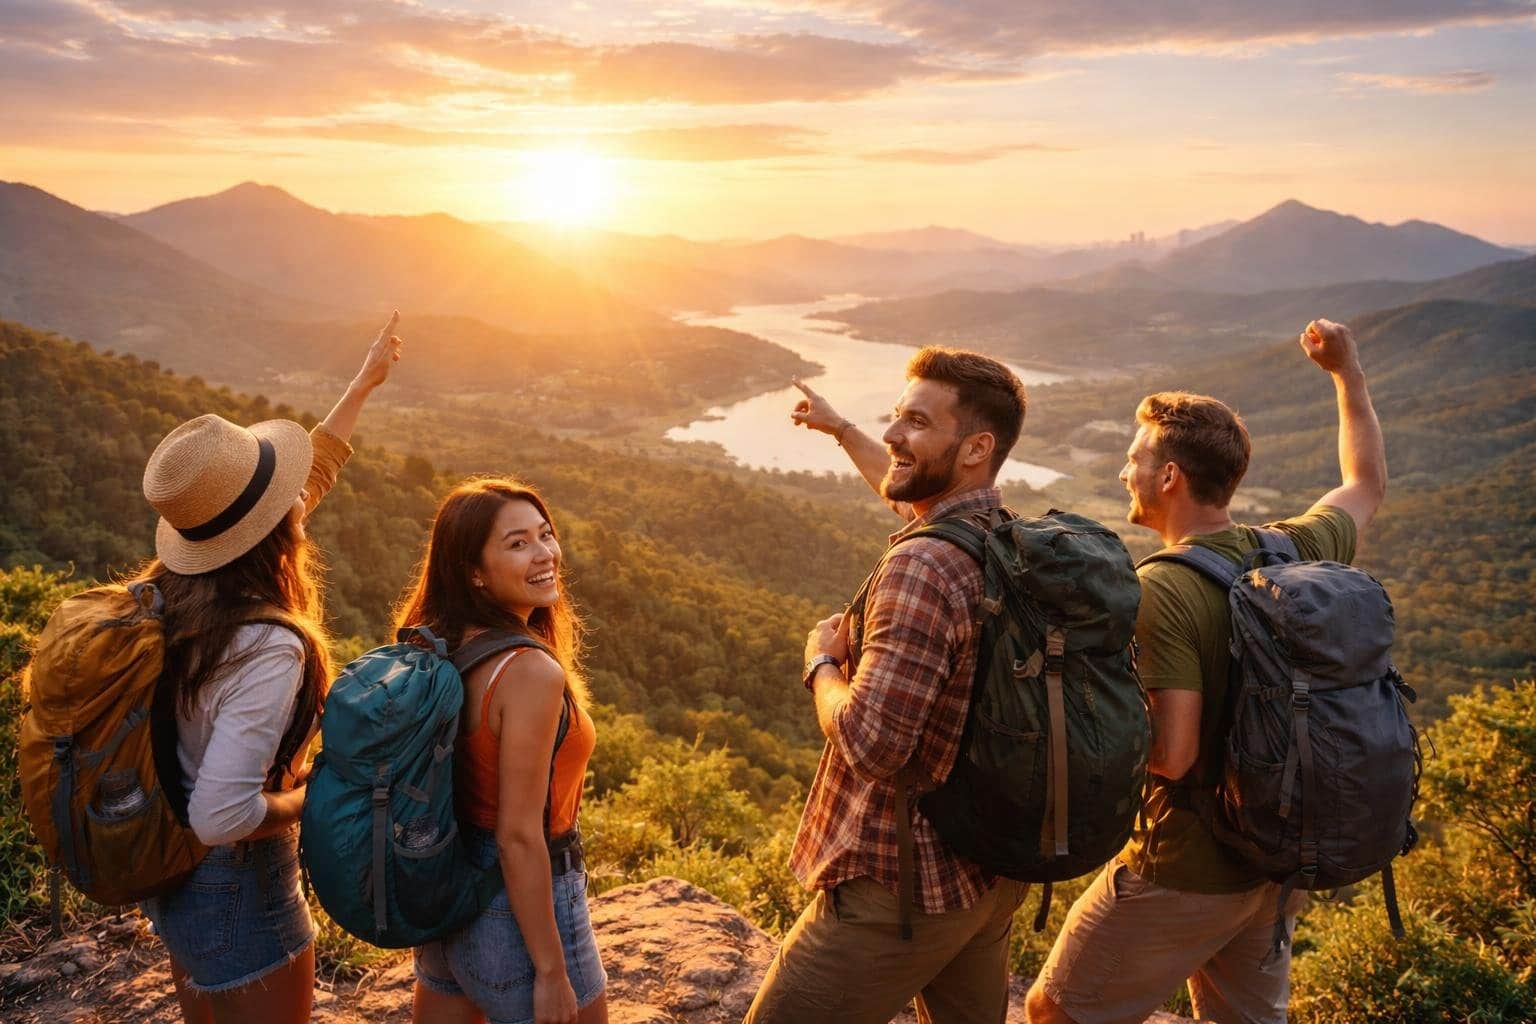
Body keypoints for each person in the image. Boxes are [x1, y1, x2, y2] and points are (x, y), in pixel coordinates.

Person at [1024, 318, 1387, 1024]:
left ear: (1169, 476)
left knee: (1056, 1010)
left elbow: (1173, 754)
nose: (1123, 471)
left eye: (1134, 459)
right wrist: (1347, 372)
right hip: (1278, 858)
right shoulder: (1294, 549)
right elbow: (1366, 482)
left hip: (1187, 867)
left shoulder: (1162, 589)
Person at [743, 348, 1032, 1024]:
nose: (897, 434)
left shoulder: (925, 568)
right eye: (896, 417)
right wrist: (842, 429)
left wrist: (822, 665)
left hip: (902, 884)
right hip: (985, 871)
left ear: (975, 447)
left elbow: (871, 743)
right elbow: (908, 491)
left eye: (918, 422)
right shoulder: (1000, 534)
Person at [138, 312, 404, 1023]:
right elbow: (222, 815)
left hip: (175, 880)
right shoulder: (265, 646)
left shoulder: (174, 593)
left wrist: (365, 380)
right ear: (264, 528)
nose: (299, 497)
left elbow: (313, 471)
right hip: (239, 889)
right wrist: (314, 796)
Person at [396, 478, 607, 1024]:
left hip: (448, 882)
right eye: (517, 544)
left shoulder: (436, 644)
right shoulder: (529, 671)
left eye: (546, 534)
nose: (544, 555)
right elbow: (518, 837)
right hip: (519, 904)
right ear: (473, 571)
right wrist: (552, 972)